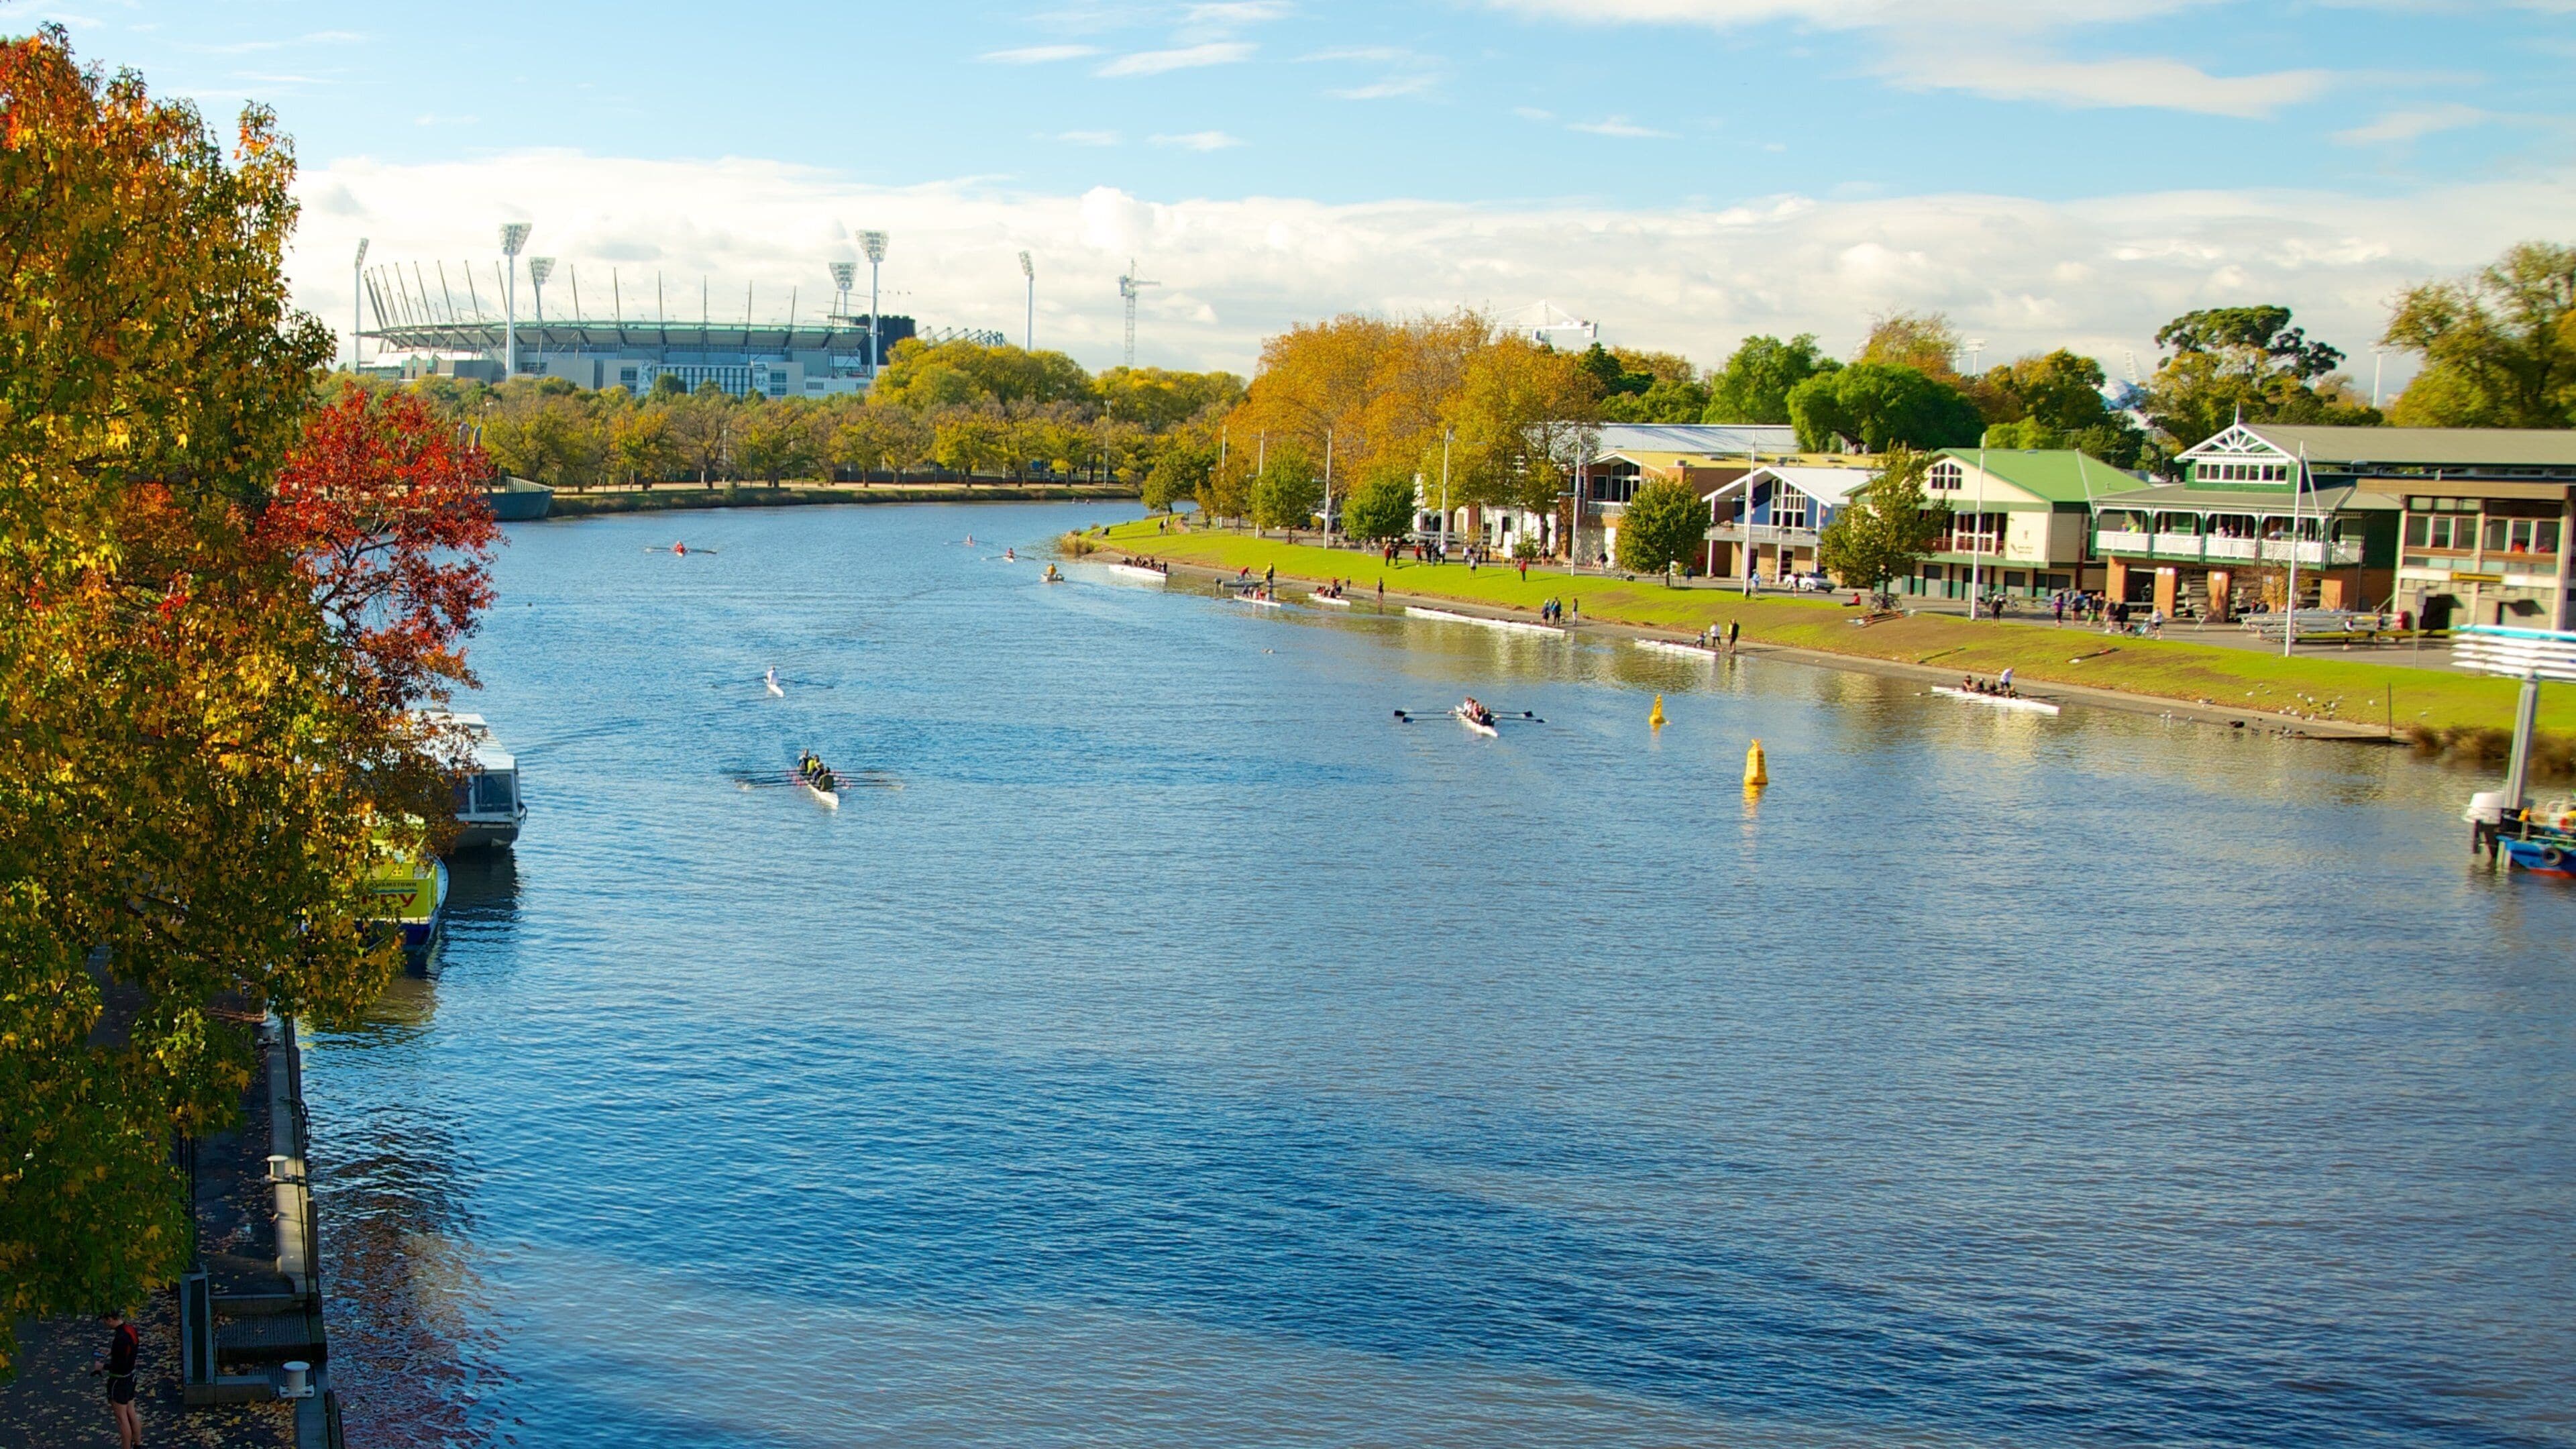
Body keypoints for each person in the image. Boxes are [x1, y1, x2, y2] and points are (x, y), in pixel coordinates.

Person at [95, 1309, 140, 1449]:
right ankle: (138, 1444)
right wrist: (113, 1352)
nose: (105, 1324)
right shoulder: (130, 1330)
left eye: (105, 1321)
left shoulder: (120, 1338)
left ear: (110, 1319)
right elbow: (128, 1352)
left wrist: (102, 1366)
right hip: (131, 1377)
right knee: (131, 1412)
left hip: (119, 1381)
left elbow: (120, 1366)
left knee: (122, 1419)